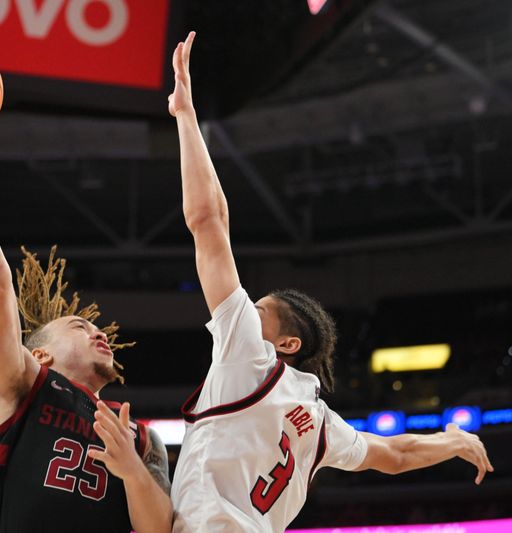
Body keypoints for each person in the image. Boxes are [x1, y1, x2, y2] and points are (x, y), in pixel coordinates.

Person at [167, 32, 494, 533]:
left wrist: (186, 117)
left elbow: (208, 221)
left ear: (286, 343)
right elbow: (398, 455)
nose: (240, 310)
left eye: (256, 311)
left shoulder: (250, 356)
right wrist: (451, 440)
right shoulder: (319, 422)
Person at [0, 90, 172, 533]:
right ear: (40, 355)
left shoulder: (140, 436)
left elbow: (158, 530)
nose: (98, 332)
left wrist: (133, 470)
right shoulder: (23, 386)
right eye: (80, 327)